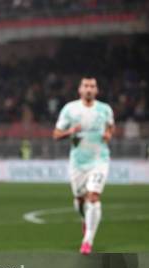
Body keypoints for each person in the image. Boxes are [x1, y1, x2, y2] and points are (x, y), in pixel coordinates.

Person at [53, 77, 115, 255]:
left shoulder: (105, 109)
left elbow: (111, 126)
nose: (89, 89)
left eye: (92, 86)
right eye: (86, 86)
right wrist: (70, 132)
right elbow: (56, 134)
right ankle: (85, 219)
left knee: (93, 196)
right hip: (78, 162)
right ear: (80, 90)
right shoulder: (70, 109)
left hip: (100, 160)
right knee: (80, 199)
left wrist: (109, 134)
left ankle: (87, 241)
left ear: (96, 90)